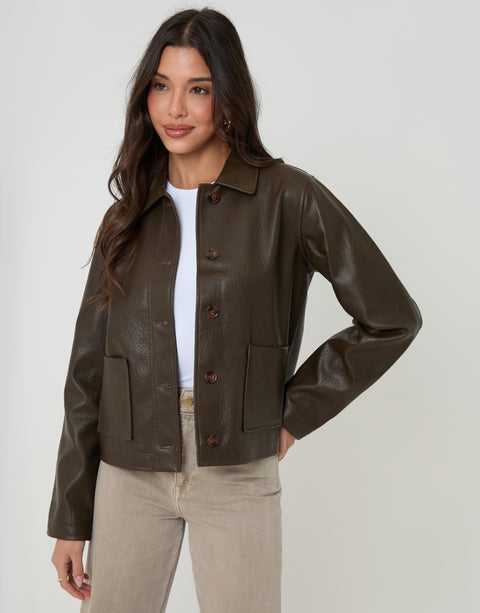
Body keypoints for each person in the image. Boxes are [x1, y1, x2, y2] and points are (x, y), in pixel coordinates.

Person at [47, 7, 422, 613]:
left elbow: (391, 317)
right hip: (128, 468)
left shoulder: (288, 197)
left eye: (198, 89)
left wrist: (292, 415)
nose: (175, 109)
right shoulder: (127, 214)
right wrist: (70, 516)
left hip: (238, 470)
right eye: (161, 86)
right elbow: (87, 372)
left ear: (228, 97)